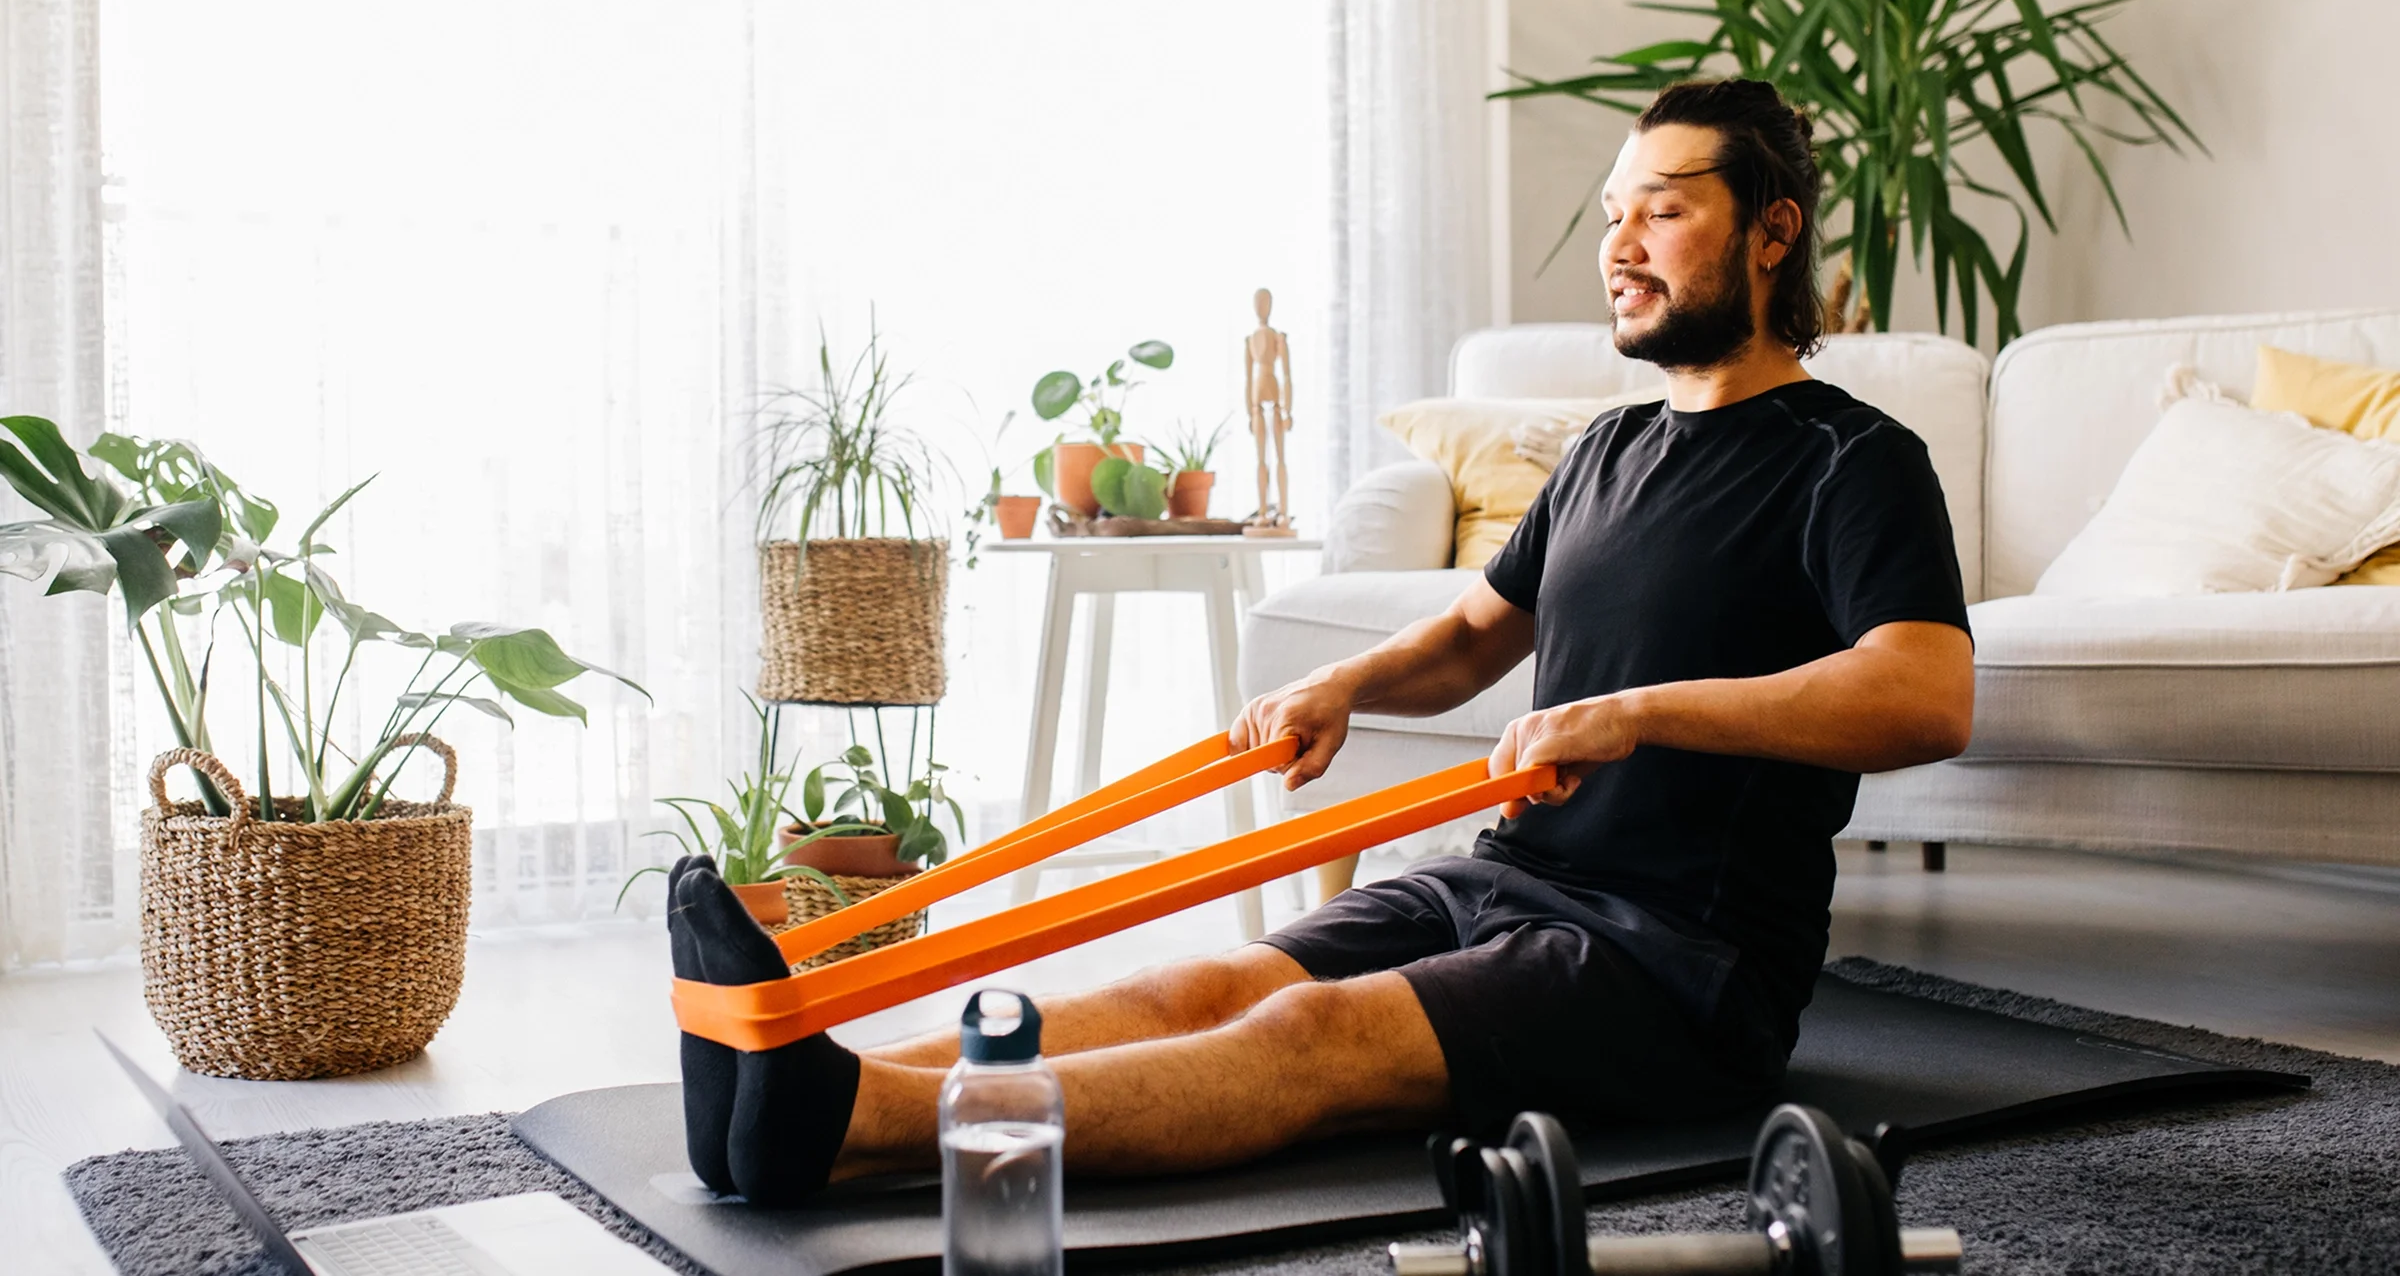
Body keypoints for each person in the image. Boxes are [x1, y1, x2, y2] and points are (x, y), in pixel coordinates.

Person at [669, 78, 1976, 1206]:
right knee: (1204, 983)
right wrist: (1343, 683)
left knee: (1311, 1026)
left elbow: (1925, 691)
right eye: (1615, 208)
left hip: (1678, 958)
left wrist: (1643, 710)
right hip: (1505, 878)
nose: (1617, 242)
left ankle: (851, 1125)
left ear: (1771, 231)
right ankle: (804, 1071)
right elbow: (1472, 635)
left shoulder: (1852, 463)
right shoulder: (1610, 449)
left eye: (1664, 208)